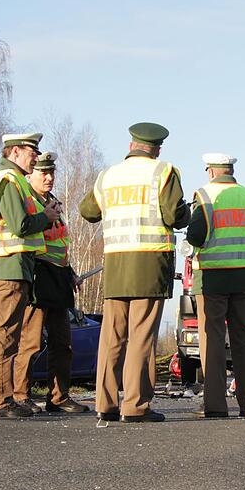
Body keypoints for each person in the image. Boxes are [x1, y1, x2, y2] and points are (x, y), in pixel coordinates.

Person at [79, 122, 189, 423]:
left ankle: (105, 403)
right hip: (150, 263)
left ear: (131, 146)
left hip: (116, 263)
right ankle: (135, 405)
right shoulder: (164, 171)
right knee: (141, 336)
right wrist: (186, 212)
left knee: (111, 336)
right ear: (158, 149)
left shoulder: (108, 176)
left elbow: (88, 211)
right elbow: (173, 215)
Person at [0, 131, 60, 418]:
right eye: (31, 153)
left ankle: (4, 397)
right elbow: (20, 225)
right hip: (9, 265)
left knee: (9, 334)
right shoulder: (9, 181)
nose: (35, 158)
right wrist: (46, 217)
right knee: (6, 334)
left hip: (14, 266)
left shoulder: (14, 181)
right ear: (14, 152)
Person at [185, 153, 245, 418]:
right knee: (243, 339)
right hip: (244, 279)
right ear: (231, 171)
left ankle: (215, 405)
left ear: (211, 171)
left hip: (212, 279)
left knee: (212, 339)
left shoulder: (205, 196)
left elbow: (195, 235)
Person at [12, 151, 89, 414]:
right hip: (37, 276)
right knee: (31, 342)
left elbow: (60, 244)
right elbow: (24, 232)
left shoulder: (54, 203)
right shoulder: (28, 201)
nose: (49, 177)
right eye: (43, 172)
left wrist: (71, 272)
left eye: (52, 172)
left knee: (62, 343)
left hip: (59, 278)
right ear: (31, 174)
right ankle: (21, 396)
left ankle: (58, 397)